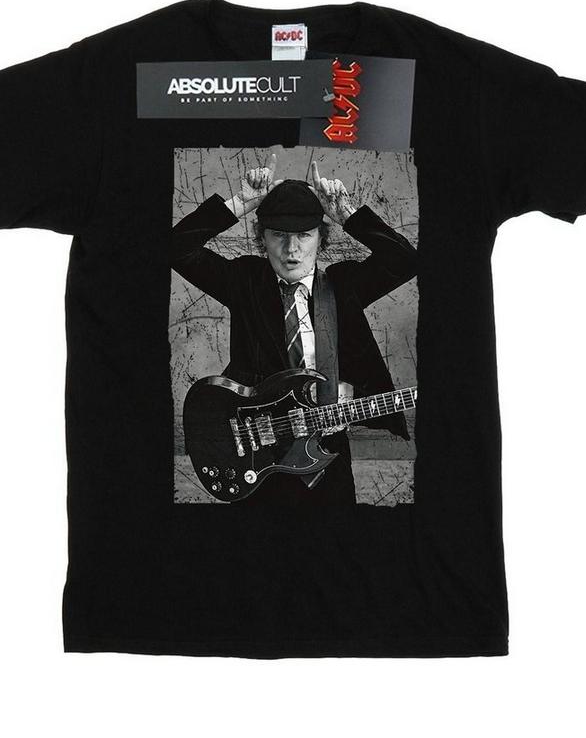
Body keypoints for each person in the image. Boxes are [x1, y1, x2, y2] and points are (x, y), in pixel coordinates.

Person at [171, 154, 418, 506]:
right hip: (256, 456)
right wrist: (239, 203)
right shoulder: (244, 281)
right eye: (279, 235)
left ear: (321, 238)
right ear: (262, 238)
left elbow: (405, 261)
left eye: (304, 235)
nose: (292, 250)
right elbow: (175, 248)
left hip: (325, 454)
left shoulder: (343, 286)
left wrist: (347, 214)